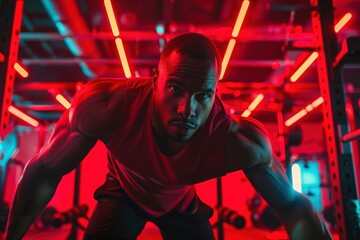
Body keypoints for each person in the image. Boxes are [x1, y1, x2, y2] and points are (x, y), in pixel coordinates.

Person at [5, 33, 333, 240]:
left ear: (215, 94)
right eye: (175, 89)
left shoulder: (238, 140)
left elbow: (295, 207)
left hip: (180, 203)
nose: (186, 109)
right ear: (153, 81)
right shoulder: (107, 106)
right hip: (123, 192)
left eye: (202, 95)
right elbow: (44, 169)